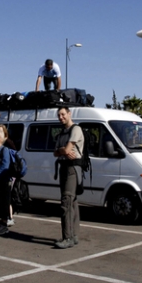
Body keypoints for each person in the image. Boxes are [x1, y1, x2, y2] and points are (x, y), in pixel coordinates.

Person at [53, 106, 84, 249]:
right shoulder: (61, 133)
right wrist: (62, 151)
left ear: (69, 114)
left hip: (73, 168)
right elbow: (56, 152)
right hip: (63, 168)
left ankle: (68, 237)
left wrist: (63, 151)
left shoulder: (76, 129)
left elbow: (65, 150)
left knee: (67, 202)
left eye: (63, 114)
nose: (61, 117)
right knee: (72, 202)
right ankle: (74, 235)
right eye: (59, 115)